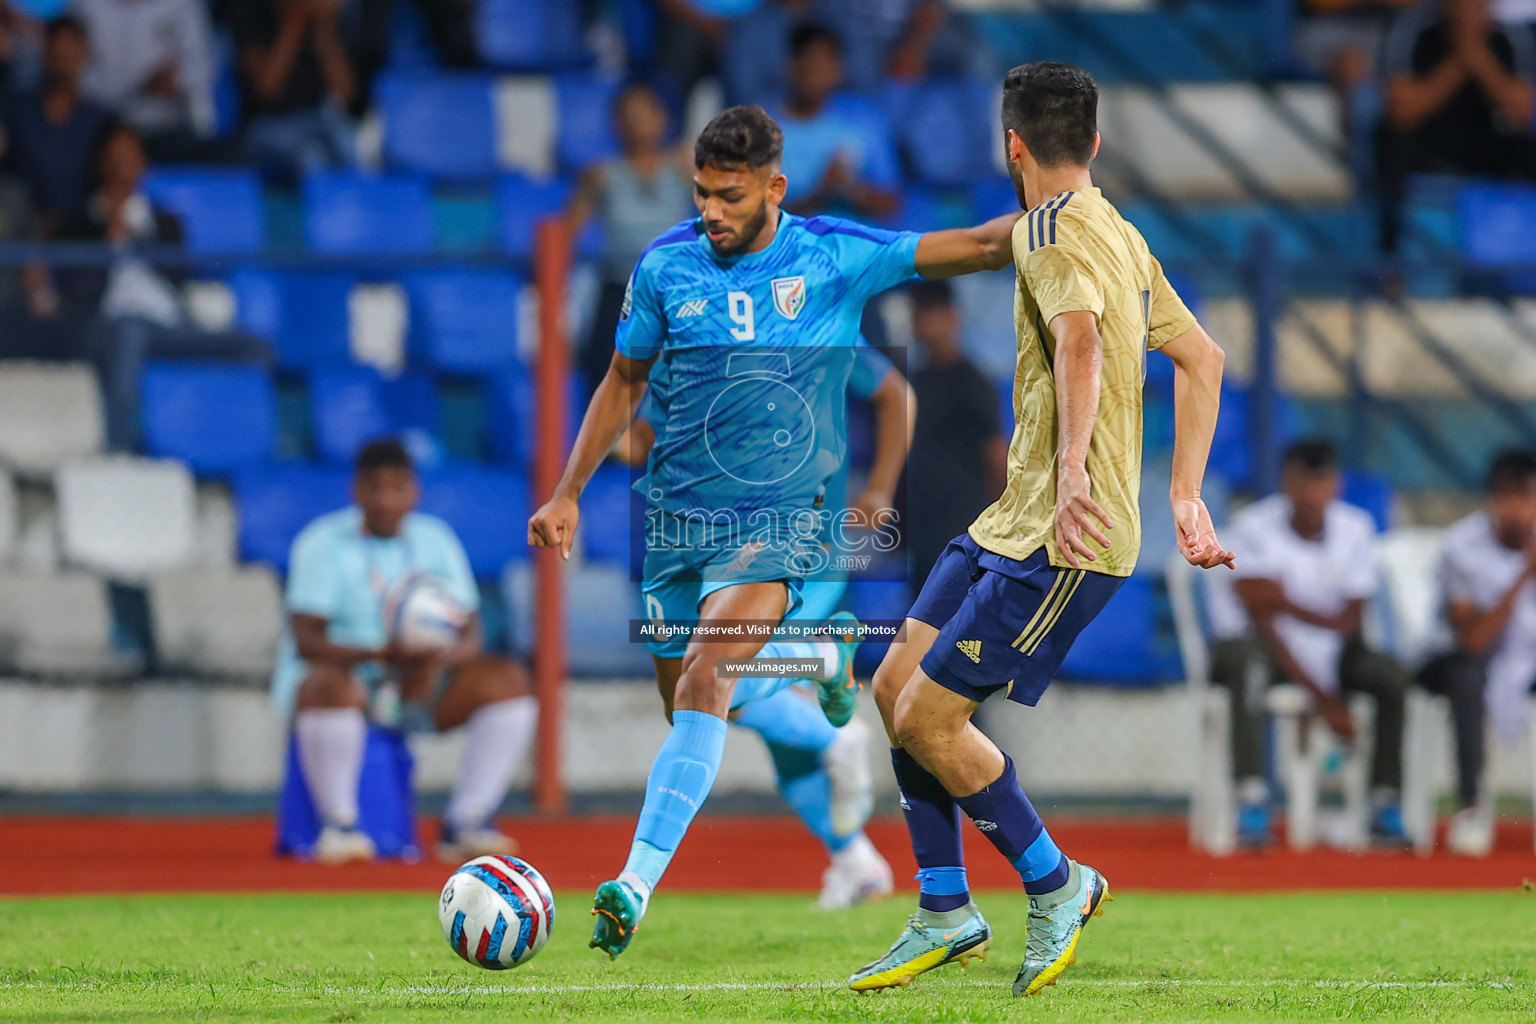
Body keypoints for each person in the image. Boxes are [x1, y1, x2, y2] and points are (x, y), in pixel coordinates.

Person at [527, 103, 1021, 958]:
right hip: (680, 520)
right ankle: (820, 660)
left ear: (773, 187)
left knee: (710, 673)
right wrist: (568, 489)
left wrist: (1067, 212)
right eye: (701, 194)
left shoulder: (830, 254)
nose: (710, 211)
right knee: (689, 694)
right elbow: (621, 380)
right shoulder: (665, 266)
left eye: (728, 195)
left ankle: (632, 886)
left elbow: (974, 245)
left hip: (783, 520)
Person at [847, 62, 1232, 997]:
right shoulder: (1116, 235)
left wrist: (1069, 479)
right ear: (1093, 143)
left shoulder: (1057, 238)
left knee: (932, 716)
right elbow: (1203, 358)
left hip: (1068, 534)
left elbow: (1084, 341)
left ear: (1010, 143)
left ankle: (1059, 885)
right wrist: (1184, 492)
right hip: (1012, 519)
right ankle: (946, 908)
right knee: (896, 684)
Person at [611, 341, 914, 909]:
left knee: (713, 687)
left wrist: (878, 489)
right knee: (711, 702)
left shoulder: (822, 328)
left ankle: (832, 717)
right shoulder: (699, 346)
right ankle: (854, 859)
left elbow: (898, 394)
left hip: (798, 548)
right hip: (713, 548)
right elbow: (649, 440)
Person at [274, 439, 536, 865]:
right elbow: (306, 640)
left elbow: (471, 632)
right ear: (356, 491)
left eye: (398, 487)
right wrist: (379, 656)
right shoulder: (321, 542)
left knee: (509, 681)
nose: (386, 500)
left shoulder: (435, 539)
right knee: (327, 684)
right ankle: (339, 824)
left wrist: (433, 664)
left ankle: (466, 821)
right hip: (350, 682)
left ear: (415, 491)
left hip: (420, 681)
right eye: (374, 488)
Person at [1207, 439, 1409, 848]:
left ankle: (1384, 800)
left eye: (1322, 481)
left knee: (1392, 675)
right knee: (1248, 666)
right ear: (1287, 482)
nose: (1312, 493)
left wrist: (1283, 601)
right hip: (1262, 647)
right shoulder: (1253, 526)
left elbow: (1352, 619)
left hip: (1334, 649)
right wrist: (1324, 699)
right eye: (1304, 481)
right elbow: (1262, 620)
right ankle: (1252, 798)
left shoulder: (1356, 528)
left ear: (1335, 485)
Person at [37, 124, 272, 449]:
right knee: (130, 335)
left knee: (256, 347)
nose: (122, 166)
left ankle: (236, 448)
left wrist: (138, 236)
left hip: (170, 325)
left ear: (142, 165)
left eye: (130, 157)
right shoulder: (78, 223)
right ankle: (120, 450)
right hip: (112, 326)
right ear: (100, 164)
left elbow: (180, 277)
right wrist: (110, 239)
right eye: (114, 157)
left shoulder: (165, 222)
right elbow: (78, 294)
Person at [1420, 448, 1536, 856]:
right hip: (1454, 658)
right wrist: (1525, 572)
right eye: (1504, 496)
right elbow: (1473, 640)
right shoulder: (1461, 547)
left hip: (1525, 657)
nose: (1515, 508)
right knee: (1468, 677)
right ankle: (1470, 806)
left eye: (1524, 496)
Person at [564, 81, 695, 400]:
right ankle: (609, 449)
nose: (636, 124)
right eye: (627, 117)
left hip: (674, 294)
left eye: (644, 114)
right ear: (616, 124)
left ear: (662, 119)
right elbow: (566, 232)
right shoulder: (601, 175)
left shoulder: (682, 167)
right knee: (609, 385)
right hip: (620, 292)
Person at [1376, 0, 1536, 250]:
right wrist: (1459, 61)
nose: (1466, 9)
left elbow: (1524, 112)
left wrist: (1479, 56)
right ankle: (1391, 255)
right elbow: (1402, 111)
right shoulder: (1413, 29)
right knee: (1390, 142)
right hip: (1428, 143)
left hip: (1486, 145)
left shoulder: (1511, 36)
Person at [901, 278, 1007, 593]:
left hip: (964, 525)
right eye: (920, 313)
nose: (925, 322)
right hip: (922, 526)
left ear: (953, 317)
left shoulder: (973, 383)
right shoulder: (911, 382)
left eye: (933, 312)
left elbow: (996, 455)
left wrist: (998, 529)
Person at [770, 24, 899, 221]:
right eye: (811, 63)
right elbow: (758, 216)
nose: (817, 73)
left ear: (839, 70)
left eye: (826, 63)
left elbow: (889, 203)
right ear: (792, 66)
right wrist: (821, 193)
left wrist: (851, 189)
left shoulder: (863, 121)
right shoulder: (764, 129)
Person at [2, 15, 112, 232]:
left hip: (82, 233)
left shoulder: (101, 120)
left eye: (70, 53)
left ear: (85, 55)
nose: (63, 61)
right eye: (57, 53)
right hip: (20, 230)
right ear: (44, 55)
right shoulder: (14, 110)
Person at [72, 0, 217, 163]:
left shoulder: (183, 5)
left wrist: (176, 80)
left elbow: (201, 67)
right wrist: (137, 89)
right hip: (104, 129)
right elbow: (77, 75)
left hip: (169, 129)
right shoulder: (86, 7)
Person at [232, 0, 357, 182]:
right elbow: (267, 90)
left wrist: (324, 30)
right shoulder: (251, 9)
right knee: (312, 159)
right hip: (265, 124)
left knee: (350, 148)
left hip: (317, 119)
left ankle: (347, 210)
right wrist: (295, 22)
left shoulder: (327, 19)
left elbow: (343, 94)